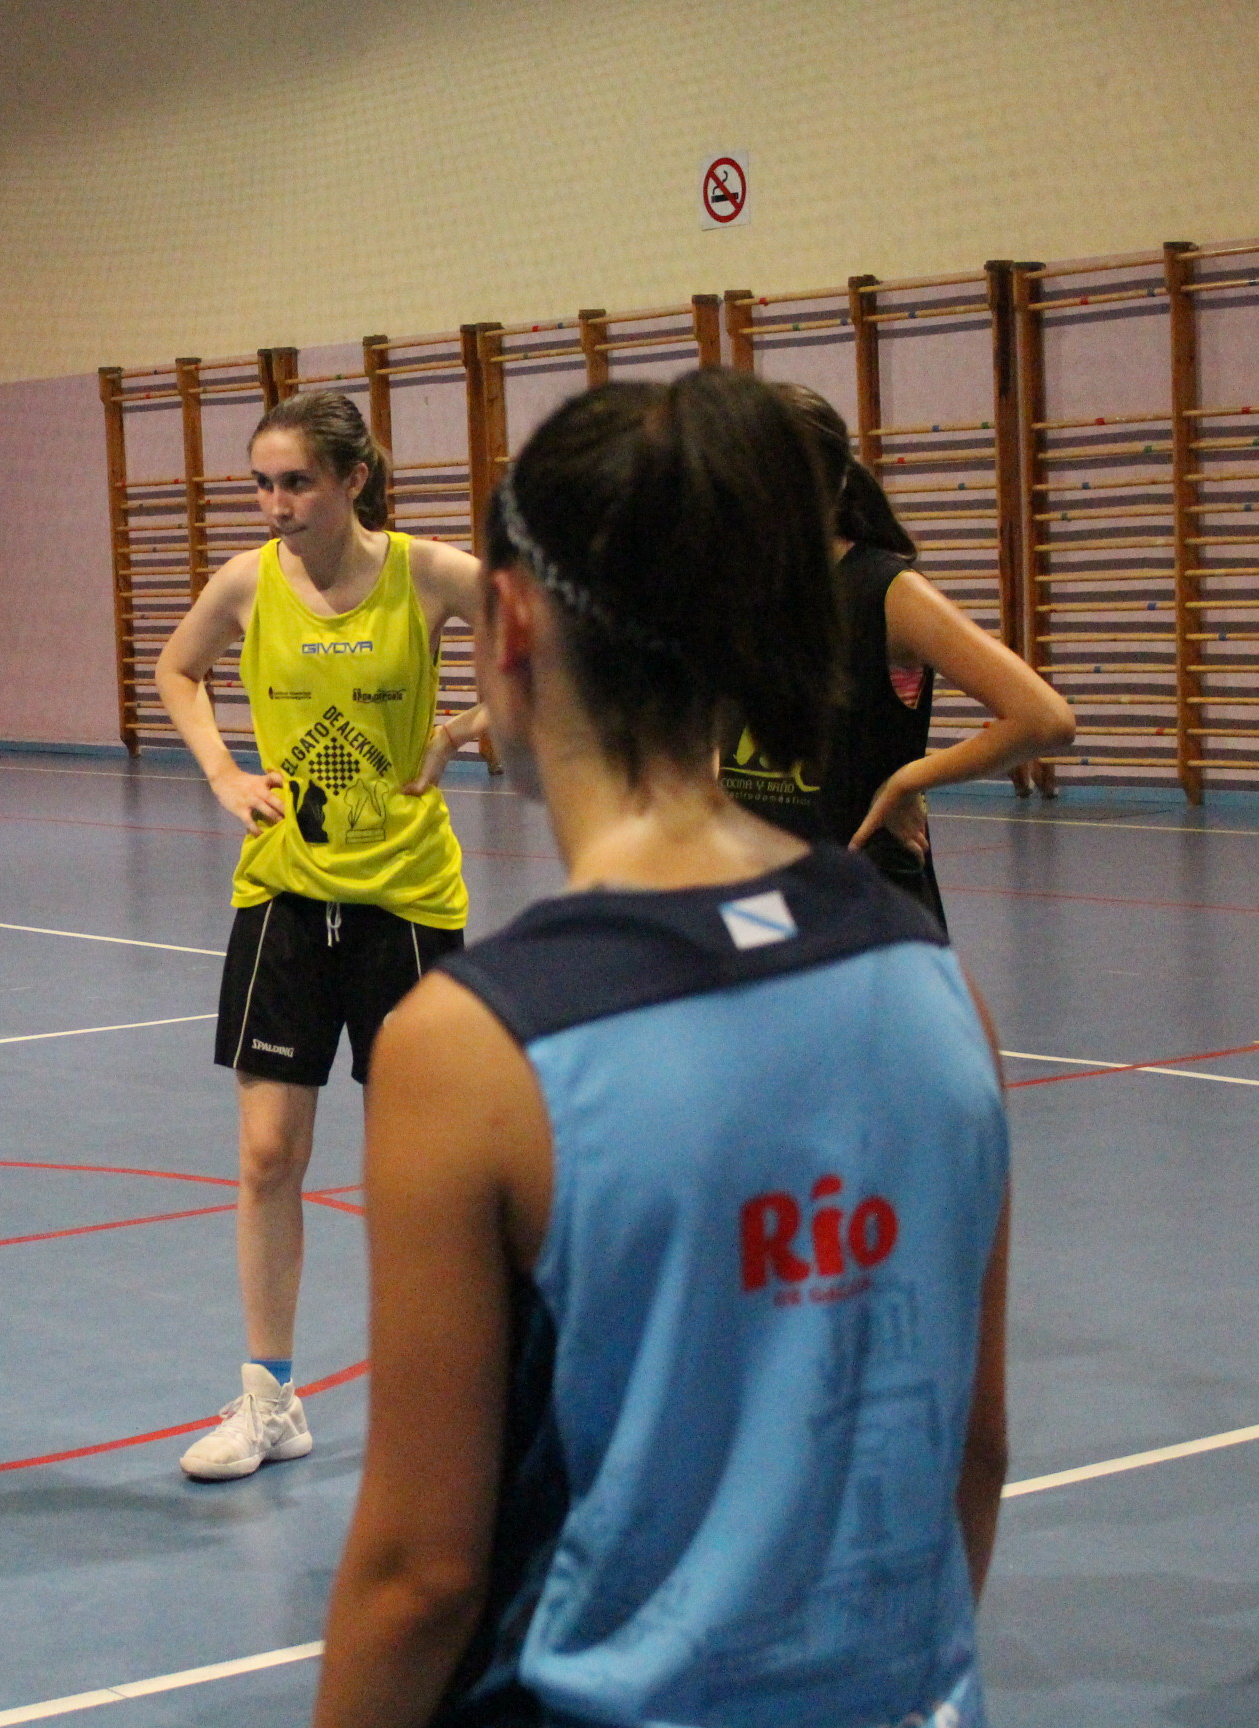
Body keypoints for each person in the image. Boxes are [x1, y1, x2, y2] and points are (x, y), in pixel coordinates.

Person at [314, 371, 1013, 1727]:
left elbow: (419, 1575)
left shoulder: (473, 1046)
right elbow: (968, 1458)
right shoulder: (934, 984)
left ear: (511, 624)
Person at [153, 390, 483, 1481]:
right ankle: (268, 1401)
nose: (276, 503)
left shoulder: (427, 576)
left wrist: (462, 728)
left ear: (352, 480)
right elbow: (177, 668)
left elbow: (557, 644)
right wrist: (220, 772)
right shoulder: (247, 584)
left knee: (418, 1168)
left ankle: (446, 1396)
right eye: (263, 483)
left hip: (407, 907)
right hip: (286, 896)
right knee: (264, 1157)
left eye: (295, 482)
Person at [719, 382, 1075, 927]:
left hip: (863, 904)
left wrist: (911, 778)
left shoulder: (888, 594)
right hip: (760, 903)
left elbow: (1043, 719)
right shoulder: (741, 591)